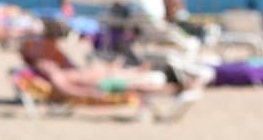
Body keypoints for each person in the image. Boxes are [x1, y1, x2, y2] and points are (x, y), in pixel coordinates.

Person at [19, 19, 178, 98]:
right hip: (100, 84)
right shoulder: (50, 68)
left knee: (129, 75)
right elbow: (66, 88)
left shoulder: (58, 63)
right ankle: (175, 89)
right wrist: (90, 93)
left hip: (103, 75)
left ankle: (170, 84)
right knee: (137, 84)